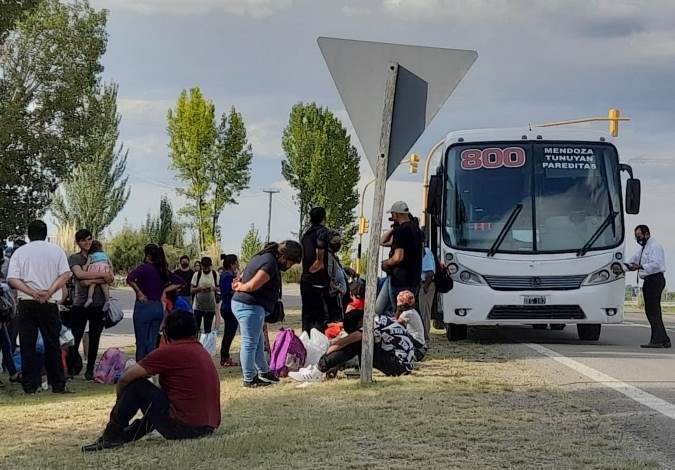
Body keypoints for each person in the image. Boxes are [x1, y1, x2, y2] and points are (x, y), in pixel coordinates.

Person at [82, 310, 221, 452]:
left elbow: (125, 378)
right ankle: (125, 435)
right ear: (195, 331)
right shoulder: (200, 351)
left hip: (184, 428)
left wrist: (121, 402)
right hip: (206, 426)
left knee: (137, 386)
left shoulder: (170, 351)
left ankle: (111, 436)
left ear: (166, 333)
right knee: (158, 398)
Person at [7, 220, 72, 394]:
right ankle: (58, 383)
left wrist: (31, 291)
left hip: (27, 301)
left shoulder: (20, 252)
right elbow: (66, 274)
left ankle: (30, 384)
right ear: (45, 233)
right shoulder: (56, 250)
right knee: (52, 343)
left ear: (29, 234)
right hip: (49, 302)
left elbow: (12, 279)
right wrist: (49, 291)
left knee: (27, 344)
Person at [232, 241, 302, 387]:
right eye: (290, 263)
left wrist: (240, 282)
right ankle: (249, 378)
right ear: (283, 256)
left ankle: (263, 371)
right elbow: (253, 285)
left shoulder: (263, 256)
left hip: (250, 306)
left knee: (257, 342)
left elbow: (244, 274)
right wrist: (242, 286)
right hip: (250, 306)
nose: (289, 267)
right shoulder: (270, 263)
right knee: (250, 344)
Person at [288, 309, 415, 383]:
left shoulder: (370, 325)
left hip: (399, 365)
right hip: (402, 362)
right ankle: (355, 370)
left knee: (359, 342)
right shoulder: (379, 319)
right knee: (364, 343)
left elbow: (352, 339)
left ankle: (318, 370)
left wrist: (332, 347)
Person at [66, 229, 115, 380]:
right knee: (76, 336)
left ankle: (90, 369)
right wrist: (102, 275)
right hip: (80, 303)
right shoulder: (75, 258)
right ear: (78, 242)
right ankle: (72, 367)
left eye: (89, 239)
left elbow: (110, 278)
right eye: (83, 240)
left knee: (95, 337)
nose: (87, 243)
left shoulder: (102, 255)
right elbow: (80, 276)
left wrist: (92, 279)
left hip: (98, 303)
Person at [127, 244, 184, 360]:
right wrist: (164, 290)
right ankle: (151, 369)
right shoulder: (162, 270)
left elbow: (130, 278)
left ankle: (141, 370)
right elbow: (180, 282)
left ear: (148, 255)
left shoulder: (144, 268)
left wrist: (139, 292)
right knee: (152, 342)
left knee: (141, 342)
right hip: (158, 307)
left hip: (144, 306)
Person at [376, 202, 424, 317]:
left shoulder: (401, 231)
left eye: (393, 214)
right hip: (414, 278)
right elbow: (383, 241)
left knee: (399, 312)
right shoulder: (417, 230)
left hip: (400, 278)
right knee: (409, 312)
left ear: (397, 214)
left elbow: (398, 257)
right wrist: (394, 229)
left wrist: (386, 263)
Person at [626, 225, 669, 348]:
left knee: (652, 311)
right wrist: (622, 267)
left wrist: (640, 267)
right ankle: (664, 339)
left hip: (655, 279)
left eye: (639, 236)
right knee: (652, 311)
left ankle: (657, 340)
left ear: (646, 234)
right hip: (649, 281)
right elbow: (632, 261)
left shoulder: (655, 246)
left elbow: (656, 264)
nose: (638, 238)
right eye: (636, 236)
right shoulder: (643, 248)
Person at [300, 207, 331, 333]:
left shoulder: (306, 234)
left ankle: (305, 342)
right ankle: (317, 345)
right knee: (320, 316)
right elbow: (321, 244)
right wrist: (319, 261)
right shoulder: (322, 232)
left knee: (307, 315)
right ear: (324, 218)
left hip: (306, 279)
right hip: (318, 280)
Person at [395, 290, 427, 361]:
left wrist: (398, 310)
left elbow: (394, 324)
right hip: (421, 345)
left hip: (418, 347)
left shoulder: (407, 313)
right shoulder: (413, 311)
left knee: (398, 333)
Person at [219, 254, 239, 367]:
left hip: (227, 307)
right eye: (236, 263)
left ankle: (225, 356)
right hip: (229, 307)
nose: (237, 265)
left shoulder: (225, 274)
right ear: (232, 264)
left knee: (229, 333)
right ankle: (224, 357)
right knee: (228, 334)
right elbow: (229, 290)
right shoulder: (228, 276)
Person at [191, 257, 219, 334]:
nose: (206, 269)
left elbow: (220, 289)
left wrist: (213, 289)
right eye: (204, 267)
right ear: (201, 266)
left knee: (208, 330)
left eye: (208, 267)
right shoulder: (197, 275)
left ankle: (206, 344)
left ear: (211, 266)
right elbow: (191, 290)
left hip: (210, 307)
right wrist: (199, 289)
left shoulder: (215, 274)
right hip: (198, 307)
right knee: (195, 330)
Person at [83, 240, 112, 308]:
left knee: (92, 284)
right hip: (104, 269)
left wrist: (84, 268)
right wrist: (110, 272)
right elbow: (110, 264)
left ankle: (89, 298)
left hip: (94, 270)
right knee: (104, 285)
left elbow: (87, 264)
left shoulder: (91, 255)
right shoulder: (105, 254)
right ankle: (107, 300)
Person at [418, 244, 436, 342]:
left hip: (426, 284)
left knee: (424, 311)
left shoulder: (426, 252)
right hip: (423, 284)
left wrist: (425, 287)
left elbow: (430, 272)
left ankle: (425, 336)